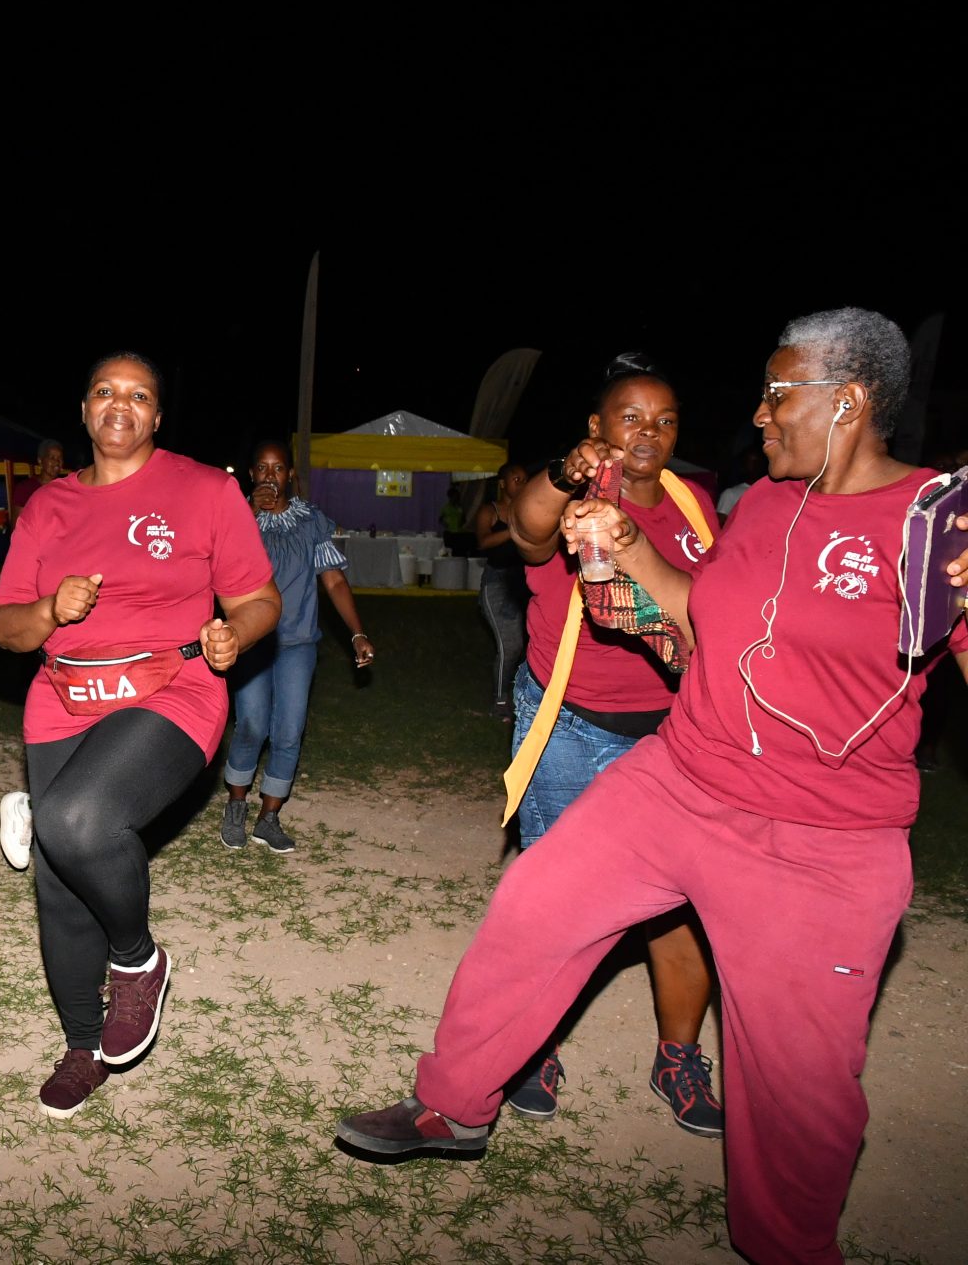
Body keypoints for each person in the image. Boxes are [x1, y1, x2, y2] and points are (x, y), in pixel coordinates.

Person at [337, 309, 968, 1265]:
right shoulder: (760, 505)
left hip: (821, 839)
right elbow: (698, 613)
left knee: (797, 1085)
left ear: (850, 400)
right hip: (681, 777)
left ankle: (789, 1245)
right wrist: (630, 550)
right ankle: (454, 1105)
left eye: (778, 393)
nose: (756, 413)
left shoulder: (934, 523)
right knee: (534, 905)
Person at [0, 352, 279, 1117]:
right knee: (58, 882)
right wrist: (51, 609)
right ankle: (84, 1046)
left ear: (157, 416)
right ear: (83, 411)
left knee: (75, 819)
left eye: (139, 394)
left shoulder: (205, 489)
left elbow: (258, 597)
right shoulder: (46, 506)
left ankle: (137, 959)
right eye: (105, 392)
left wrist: (235, 636)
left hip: (173, 685)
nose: (121, 404)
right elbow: (4, 626)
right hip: (63, 696)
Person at [495, 354, 723, 1135]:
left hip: (671, 737)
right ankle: (536, 1045)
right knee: (553, 899)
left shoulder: (697, 510)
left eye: (664, 419)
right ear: (598, 426)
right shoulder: (575, 490)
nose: (648, 433)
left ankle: (680, 1056)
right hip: (567, 721)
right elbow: (524, 534)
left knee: (680, 907)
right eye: (631, 417)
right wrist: (566, 471)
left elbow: (713, 615)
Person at [220, 442, 373, 852]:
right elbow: (214, 564)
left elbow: (335, 580)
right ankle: (236, 805)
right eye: (263, 469)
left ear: (290, 475)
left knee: (289, 729)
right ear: (253, 474)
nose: (271, 476)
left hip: (298, 641)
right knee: (251, 724)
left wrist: (357, 632)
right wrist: (248, 512)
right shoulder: (236, 518)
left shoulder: (311, 522)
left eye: (279, 469)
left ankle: (269, 817)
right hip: (252, 640)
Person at [474, 461, 531, 721]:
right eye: (516, 479)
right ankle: (500, 701)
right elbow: (484, 542)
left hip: (526, 584)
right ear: (502, 483)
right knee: (510, 645)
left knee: (529, 647)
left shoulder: (527, 510)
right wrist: (514, 530)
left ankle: (524, 696)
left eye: (524, 480)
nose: (521, 484)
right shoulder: (491, 511)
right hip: (497, 584)